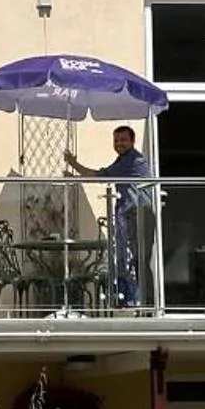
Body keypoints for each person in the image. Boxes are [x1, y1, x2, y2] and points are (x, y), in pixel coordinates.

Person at [65, 125, 156, 308]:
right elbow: (103, 175)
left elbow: (100, 176)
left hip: (139, 213)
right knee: (130, 259)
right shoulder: (122, 160)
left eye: (123, 140)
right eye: (116, 140)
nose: (119, 144)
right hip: (130, 214)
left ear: (132, 141)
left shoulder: (132, 160)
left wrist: (74, 166)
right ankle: (136, 302)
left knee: (138, 260)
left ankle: (146, 304)